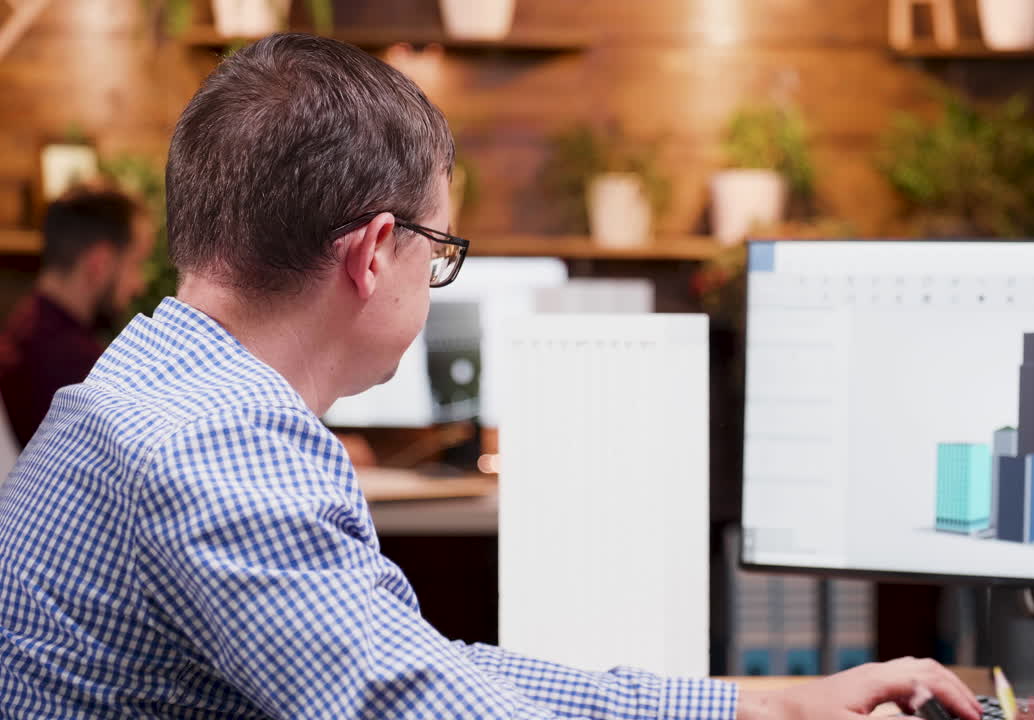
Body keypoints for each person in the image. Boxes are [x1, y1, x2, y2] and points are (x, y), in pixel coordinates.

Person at [0, 34, 982, 720]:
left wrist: (765, 704)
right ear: (376, 252)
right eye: (441, 248)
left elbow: (415, 672)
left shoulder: (138, 391)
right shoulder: (218, 445)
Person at [0, 187, 152, 446]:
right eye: (136, 263)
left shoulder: (21, 329)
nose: (139, 285)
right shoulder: (77, 371)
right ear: (99, 263)